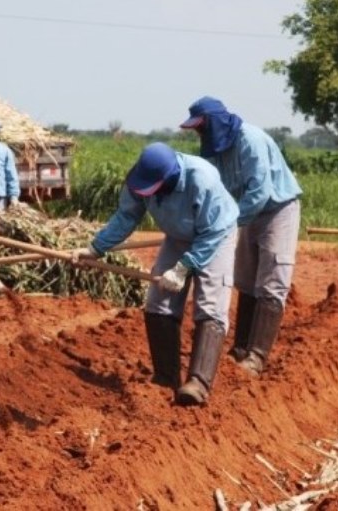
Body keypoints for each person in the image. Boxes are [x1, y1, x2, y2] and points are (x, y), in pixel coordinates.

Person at [73, 142, 238, 406]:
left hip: (215, 236)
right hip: (177, 236)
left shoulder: (202, 178)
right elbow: (126, 216)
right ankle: (166, 378)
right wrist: (95, 248)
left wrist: (184, 268)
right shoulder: (140, 178)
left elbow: (214, 231)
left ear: (170, 177)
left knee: (210, 304)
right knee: (158, 302)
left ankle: (198, 383)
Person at [180, 96, 302, 376]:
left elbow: (259, 192)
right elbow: (213, 189)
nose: (199, 133)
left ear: (215, 122)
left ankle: (256, 357)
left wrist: (227, 223)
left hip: (276, 209)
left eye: (201, 127)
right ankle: (240, 350)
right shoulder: (212, 149)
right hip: (245, 212)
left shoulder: (251, 140)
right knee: (246, 280)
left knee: (272, 280)